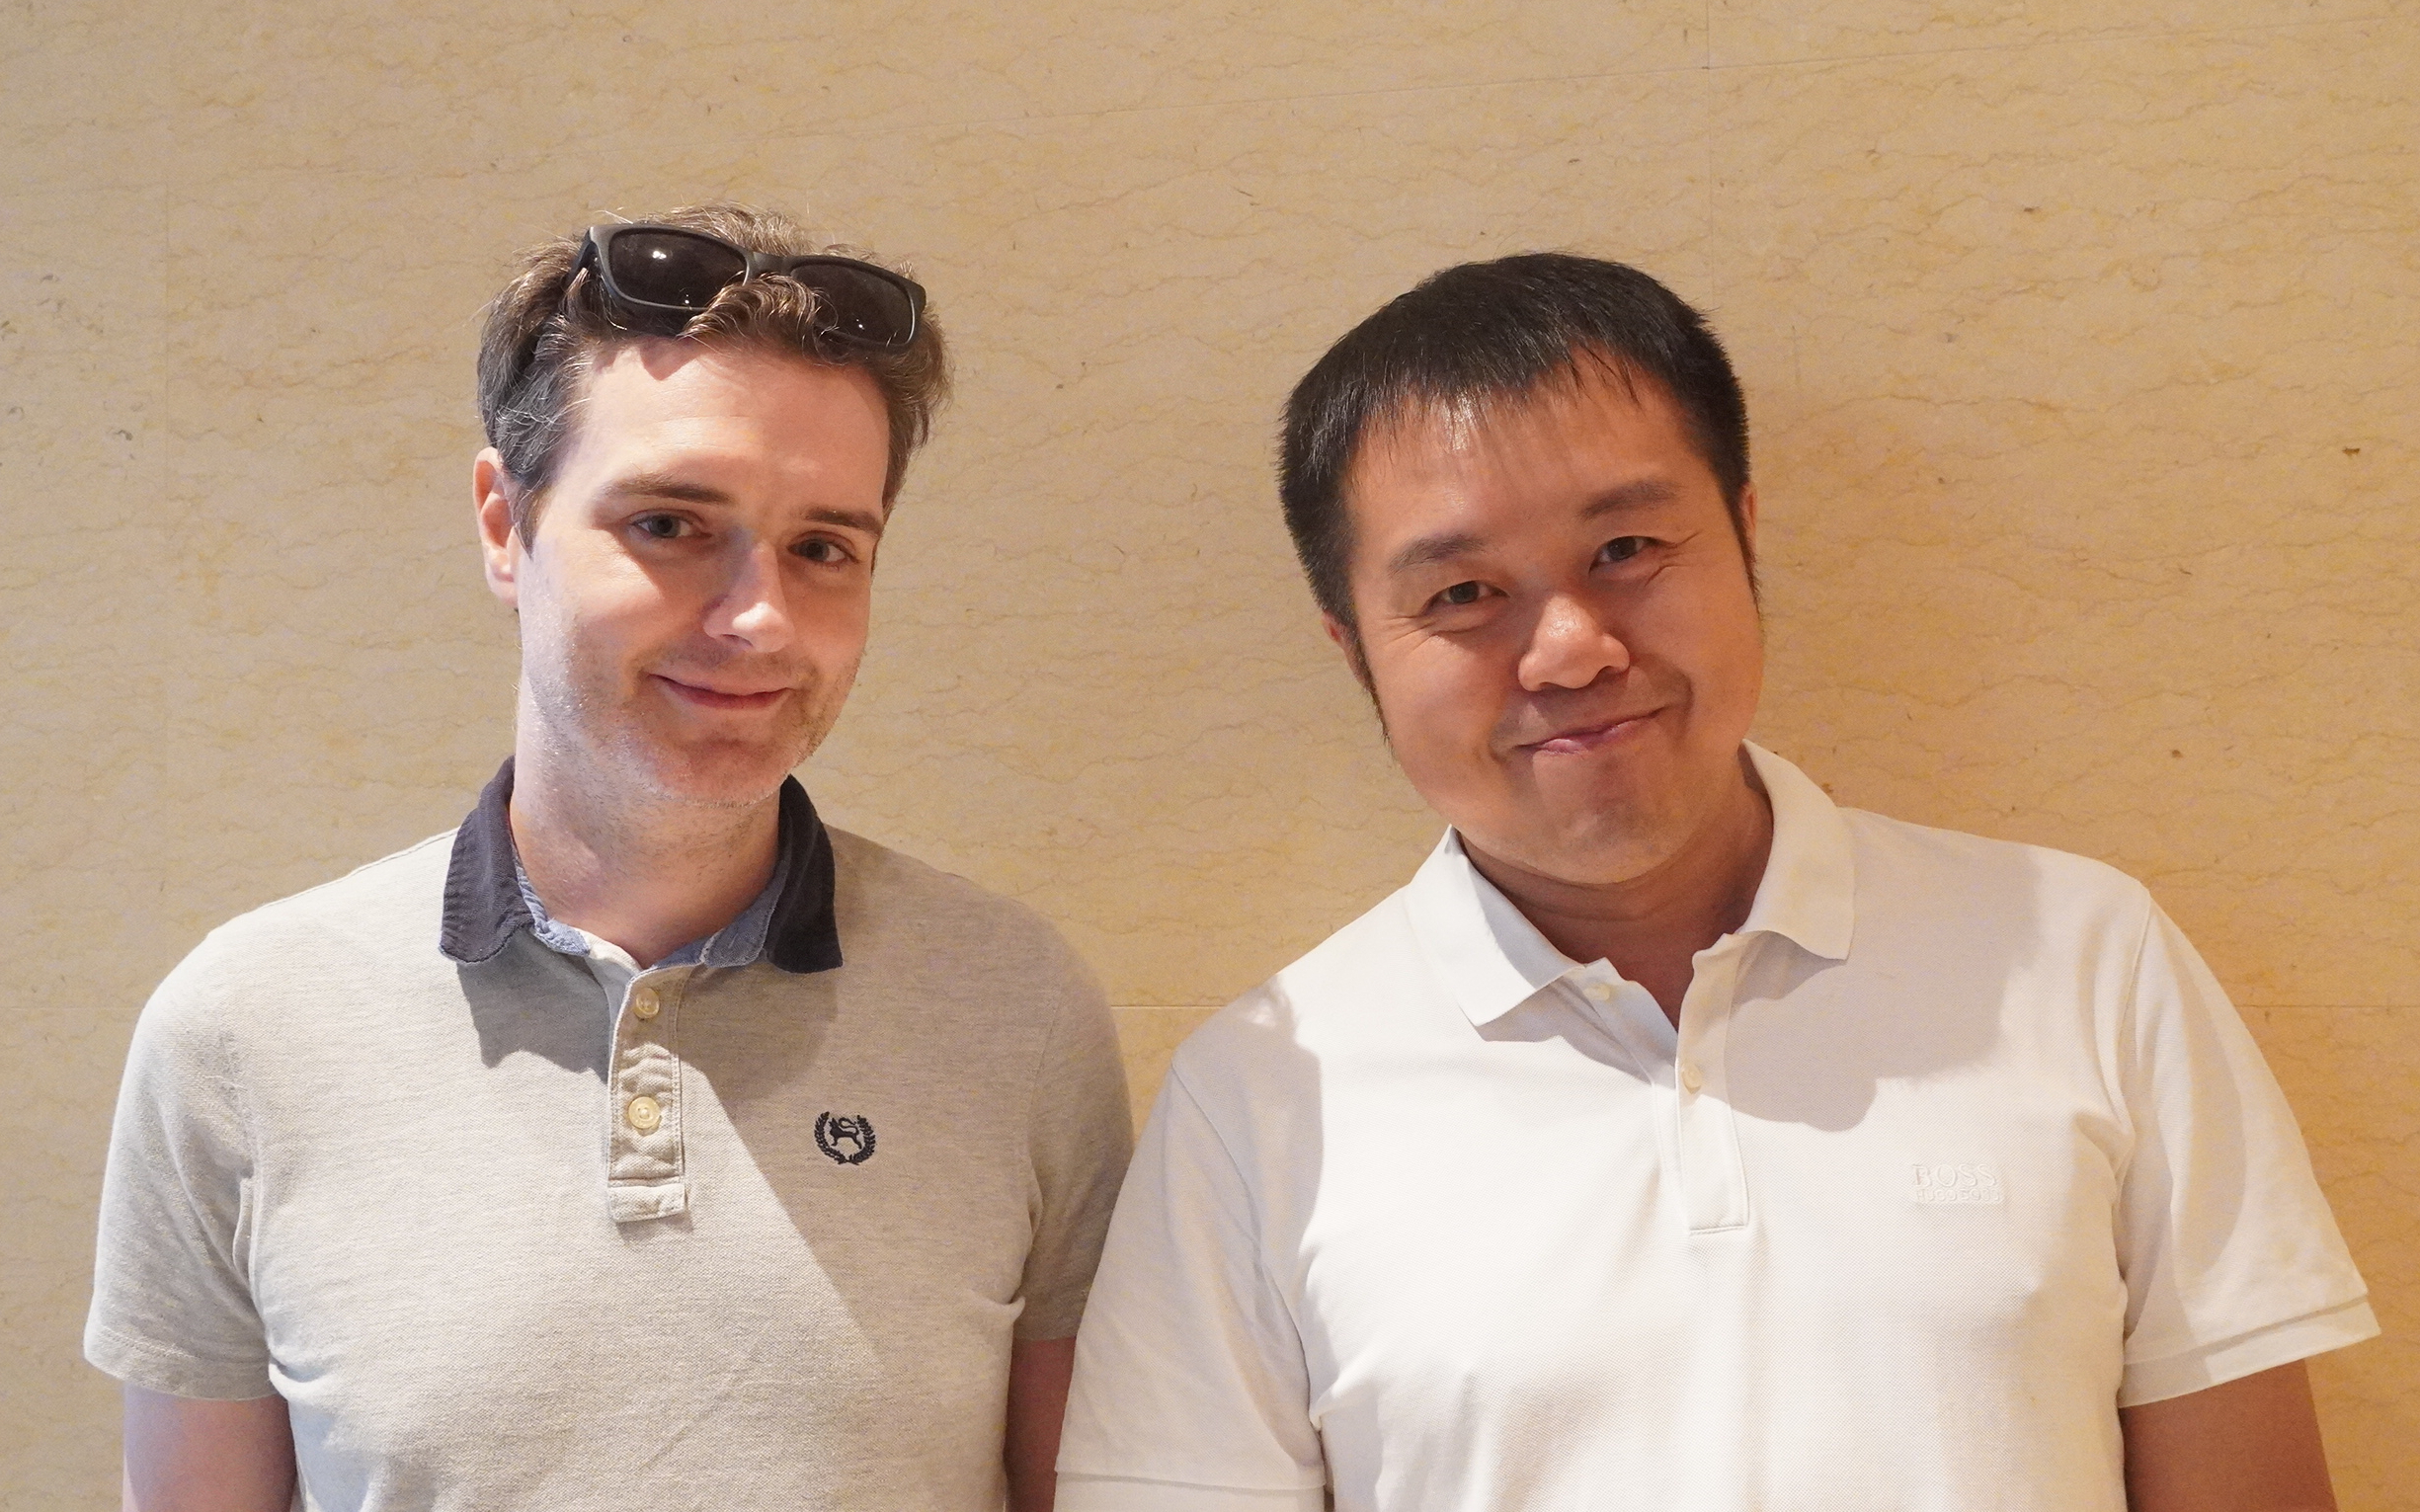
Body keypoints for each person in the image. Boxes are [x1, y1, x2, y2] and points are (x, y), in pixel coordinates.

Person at [1055, 254, 2376, 1511]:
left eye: (1625, 550)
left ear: (1742, 535)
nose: (1568, 649)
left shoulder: (2084, 958)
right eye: (1462, 592)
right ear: (1353, 652)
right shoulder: (1259, 1101)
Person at [87, 203, 1131, 1511]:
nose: (758, 618)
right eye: (669, 525)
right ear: (500, 524)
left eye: (822, 548)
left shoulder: (1014, 1007)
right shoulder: (241, 1027)